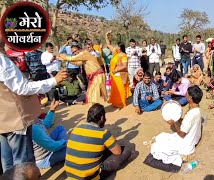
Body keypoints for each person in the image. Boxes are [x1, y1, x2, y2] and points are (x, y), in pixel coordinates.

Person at [0, 36, 68, 172]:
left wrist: (52, 111)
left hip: (3, 122)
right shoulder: (1, 61)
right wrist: (54, 81)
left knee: (8, 163)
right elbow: (22, 88)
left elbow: (46, 125)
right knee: (23, 164)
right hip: (16, 121)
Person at [65, 104, 134, 179]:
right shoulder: (103, 133)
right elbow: (118, 152)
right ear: (102, 118)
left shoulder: (76, 129)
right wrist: (113, 140)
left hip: (69, 173)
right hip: (89, 176)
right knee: (126, 150)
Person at [150, 85, 203, 167]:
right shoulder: (197, 109)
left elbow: (182, 134)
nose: (185, 95)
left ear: (190, 98)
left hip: (187, 143)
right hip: (194, 139)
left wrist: (173, 123)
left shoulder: (191, 114)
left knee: (157, 146)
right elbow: (187, 122)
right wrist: (177, 118)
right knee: (162, 136)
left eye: (187, 94)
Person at [32, 100, 67, 169]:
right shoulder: (33, 128)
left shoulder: (33, 119)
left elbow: (46, 124)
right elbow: (52, 147)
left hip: (47, 146)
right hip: (45, 158)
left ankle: (62, 146)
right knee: (72, 148)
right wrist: (68, 143)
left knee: (60, 128)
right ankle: (62, 148)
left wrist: (52, 109)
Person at [105, 31, 132, 108]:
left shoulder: (123, 55)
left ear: (119, 47)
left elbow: (124, 66)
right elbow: (108, 44)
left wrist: (116, 70)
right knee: (115, 89)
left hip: (119, 75)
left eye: (117, 46)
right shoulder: (115, 53)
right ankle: (115, 102)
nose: (115, 47)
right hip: (114, 75)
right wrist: (107, 36)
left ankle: (121, 103)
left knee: (120, 89)